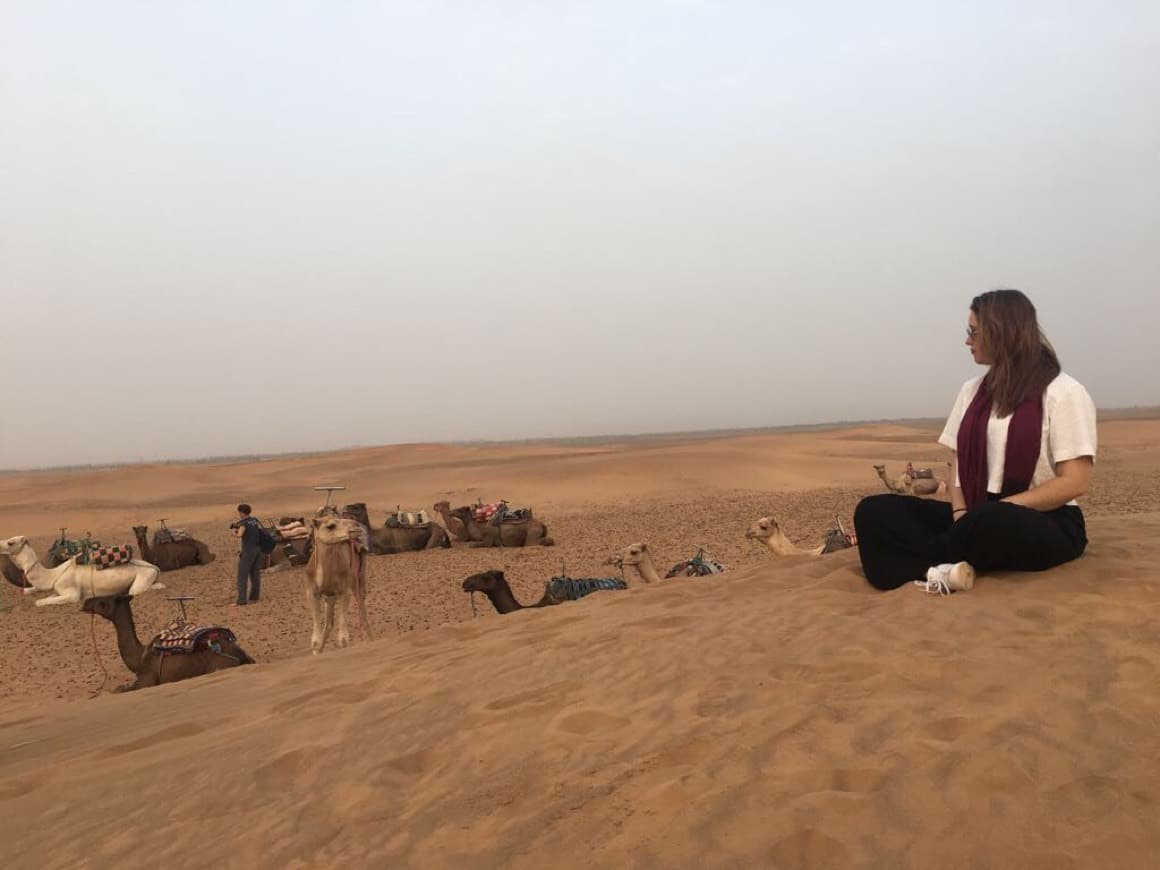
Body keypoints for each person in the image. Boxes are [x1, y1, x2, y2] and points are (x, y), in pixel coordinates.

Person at [853, 289, 1096, 594]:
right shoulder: (972, 391)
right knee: (874, 511)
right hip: (975, 516)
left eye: (974, 332)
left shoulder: (1063, 392)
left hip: (1045, 522)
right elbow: (955, 462)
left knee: (993, 521)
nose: (967, 341)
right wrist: (960, 515)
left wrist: (1002, 509)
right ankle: (944, 568)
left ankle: (920, 564)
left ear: (1002, 332)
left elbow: (1075, 482)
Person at [231, 503, 262, 606]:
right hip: (258, 550)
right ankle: (254, 597)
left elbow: (240, 535)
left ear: (241, 512)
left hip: (248, 551)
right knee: (255, 575)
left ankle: (242, 600)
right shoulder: (255, 520)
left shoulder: (244, 523)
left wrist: (234, 533)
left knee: (242, 576)